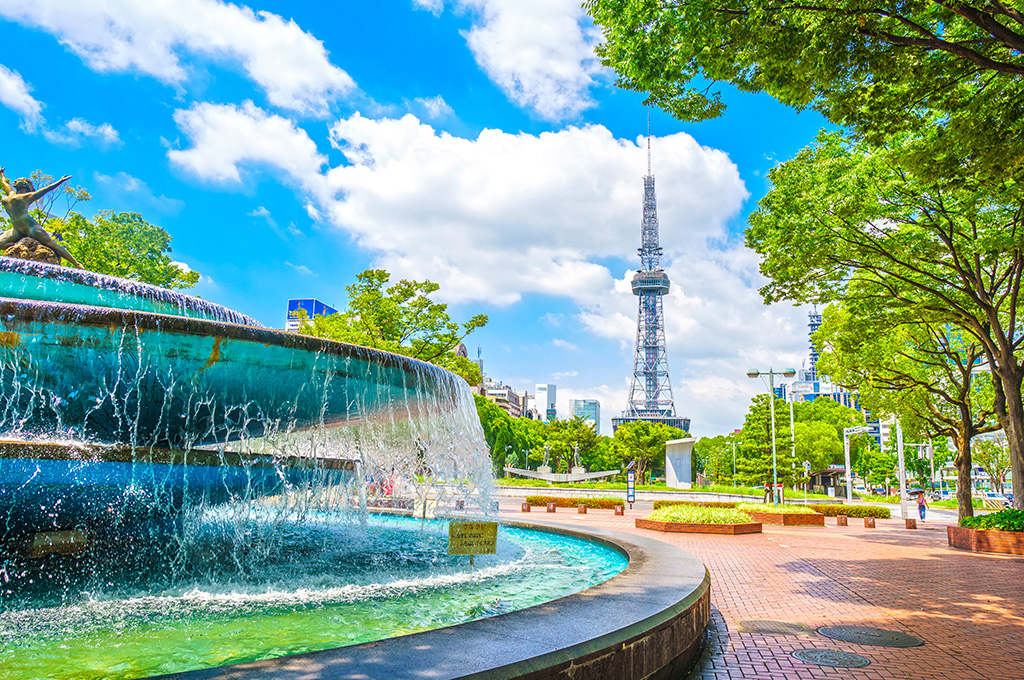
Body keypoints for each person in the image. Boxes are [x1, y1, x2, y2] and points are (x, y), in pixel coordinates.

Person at [0, 167, 82, 267]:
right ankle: (22, 247)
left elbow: (47, 189)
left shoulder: (28, 196)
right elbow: (5, 183)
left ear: (25, 186)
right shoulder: (11, 194)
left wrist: (60, 181)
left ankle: (77, 264)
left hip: (31, 227)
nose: (16, 181)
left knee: (52, 244)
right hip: (16, 229)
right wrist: (2, 173)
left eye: (19, 180)